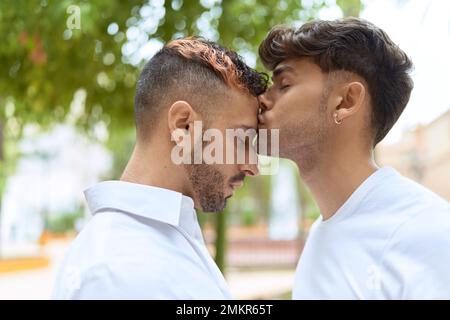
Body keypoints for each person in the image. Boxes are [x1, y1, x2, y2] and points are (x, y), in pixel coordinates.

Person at [53, 37, 267, 299]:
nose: (253, 166)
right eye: (241, 139)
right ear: (184, 125)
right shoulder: (116, 271)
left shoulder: (160, 241)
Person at [258, 18, 450, 299]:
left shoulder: (428, 233)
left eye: (284, 84)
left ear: (345, 101)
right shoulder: (322, 235)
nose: (262, 98)